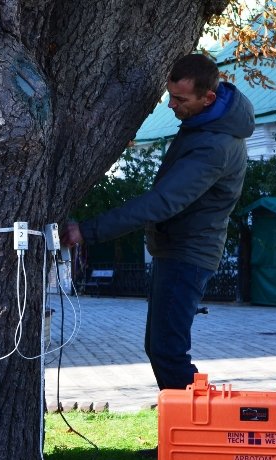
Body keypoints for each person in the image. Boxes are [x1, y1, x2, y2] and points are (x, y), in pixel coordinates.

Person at [60, 53, 255, 390]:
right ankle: (184, 435)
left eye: (180, 99)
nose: (171, 106)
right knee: (162, 347)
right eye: (170, 95)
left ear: (208, 97)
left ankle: (198, 435)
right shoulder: (204, 125)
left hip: (188, 255)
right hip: (179, 252)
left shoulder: (214, 145)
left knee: (167, 350)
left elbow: (162, 202)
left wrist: (87, 231)